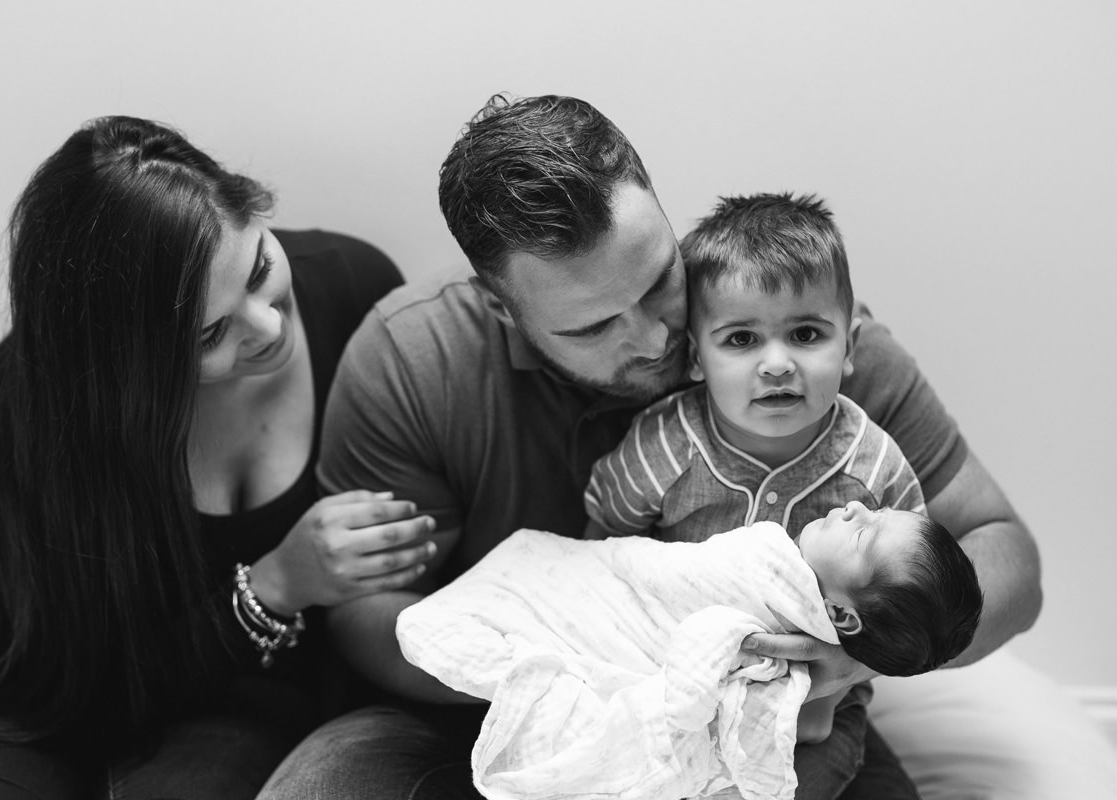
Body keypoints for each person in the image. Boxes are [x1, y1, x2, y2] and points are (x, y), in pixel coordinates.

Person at [257, 95, 1040, 800]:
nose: (657, 336)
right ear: (500, 311)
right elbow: (364, 616)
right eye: (593, 327)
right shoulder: (413, 360)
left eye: (660, 278)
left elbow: (1006, 557)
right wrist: (572, 676)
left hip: (779, 715)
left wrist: (855, 661)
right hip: (500, 705)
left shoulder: (796, 347)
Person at [0, 116, 437, 799]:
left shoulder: (353, 286)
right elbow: (89, 687)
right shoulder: (35, 411)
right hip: (27, 686)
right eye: (209, 334)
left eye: (258, 271)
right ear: (125, 361)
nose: (270, 327)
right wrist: (275, 586)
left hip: (231, 701)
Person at [582, 191, 938, 795]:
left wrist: (851, 668)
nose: (776, 364)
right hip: (669, 673)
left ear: (849, 348)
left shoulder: (873, 468)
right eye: (741, 340)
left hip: (815, 705)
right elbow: (602, 549)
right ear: (697, 359)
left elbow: (907, 580)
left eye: (805, 334)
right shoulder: (663, 448)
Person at [395, 504, 983, 799]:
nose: (855, 506)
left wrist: (846, 667)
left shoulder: (775, 595)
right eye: (875, 511)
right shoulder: (772, 563)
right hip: (598, 585)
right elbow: (650, 577)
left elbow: (710, 640)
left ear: (840, 616)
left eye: (864, 533)